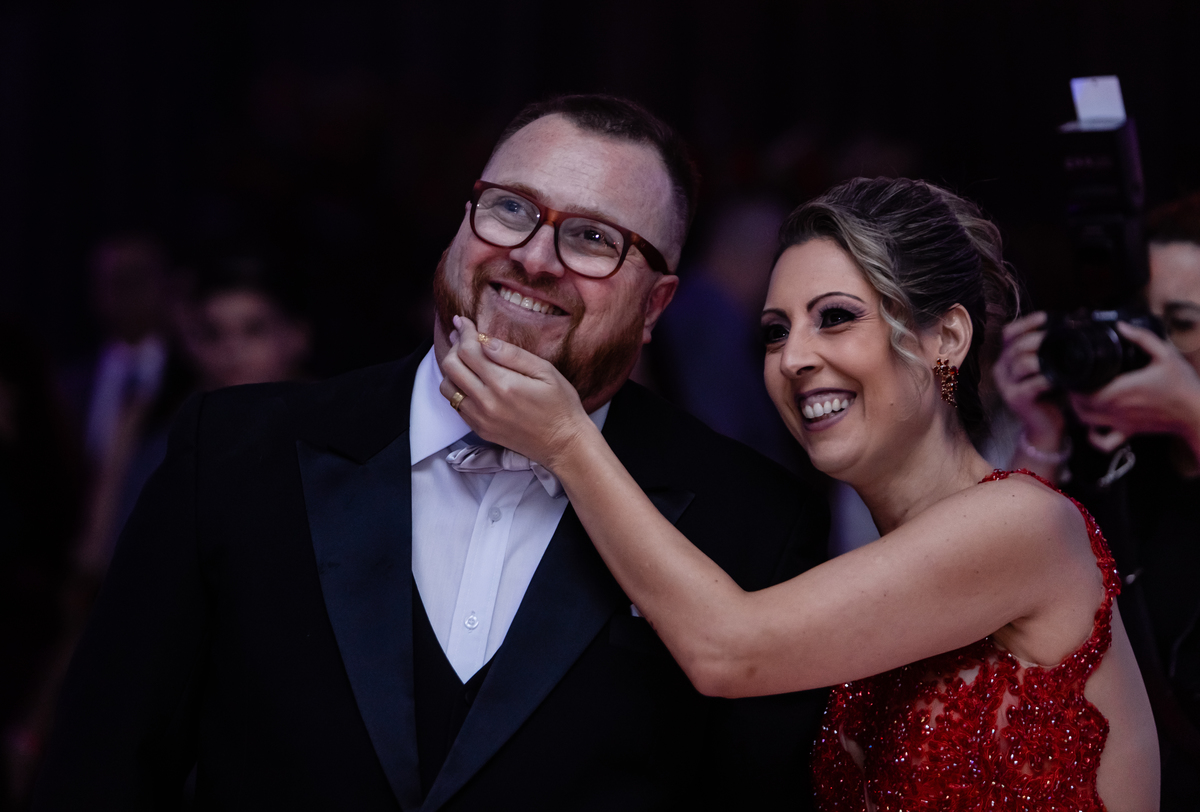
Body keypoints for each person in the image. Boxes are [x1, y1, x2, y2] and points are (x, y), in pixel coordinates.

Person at [33, 95, 830, 811]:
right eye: (511, 209)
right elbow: (101, 769)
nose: (535, 256)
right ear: (461, 225)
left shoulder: (750, 522)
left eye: (593, 238)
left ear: (654, 306)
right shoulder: (236, 453)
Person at [439, 177, 1161, 810]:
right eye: (775, 332)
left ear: (945, 337)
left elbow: (728, 651)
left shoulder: (1025, 523)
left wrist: (567, 440)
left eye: (836, 317)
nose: (794, 358)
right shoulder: (853, 562)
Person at [995, 192, 1200, 808]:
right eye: (1135, 321)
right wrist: (1042, 431)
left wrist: (1192, 413)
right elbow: (996, 587)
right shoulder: (1110, 456)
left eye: (1181, 324)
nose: (1146, 348)